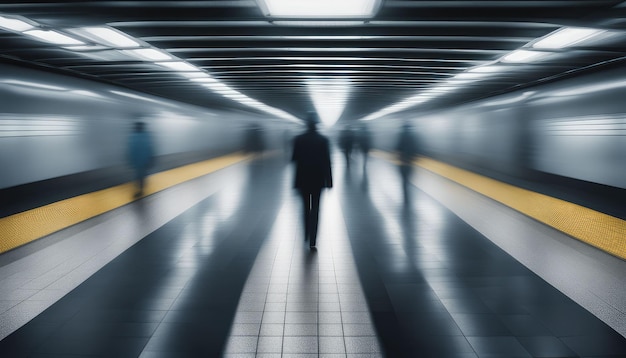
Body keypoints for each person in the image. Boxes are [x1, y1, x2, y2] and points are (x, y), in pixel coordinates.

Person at [291, 113, 333, 248]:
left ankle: (306, 234)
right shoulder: (323, 140)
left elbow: (294, 159)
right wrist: (329, 181)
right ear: (316, 125)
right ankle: (313, 240)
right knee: (315, 208)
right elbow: (327, 162)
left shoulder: (298, 139)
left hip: (303, 179)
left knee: (305, 208)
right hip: (318, 180)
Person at [127, 121, 155, 198]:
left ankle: (140, 190)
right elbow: (131, 149)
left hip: (142, 161)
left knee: (140, 176)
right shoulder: (144, 135)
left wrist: (151, 159)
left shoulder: (134, 135)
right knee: (138, 176)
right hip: (139, 160)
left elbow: (150, 148)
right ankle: (139, 189)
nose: (137, 127)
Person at [395, 123, 419, 204]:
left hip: (402, 162)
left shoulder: (400, 137)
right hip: (410, 162)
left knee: (404, 179)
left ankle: (405, 192)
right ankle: (407, 190)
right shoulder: (413, 137)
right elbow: (416, 149)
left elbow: (397, 148)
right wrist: (414, 158)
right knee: (408, 178)